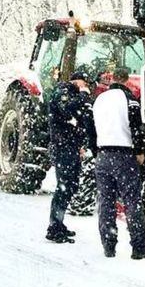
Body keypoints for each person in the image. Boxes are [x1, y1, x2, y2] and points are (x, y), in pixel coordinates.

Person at [91, 67, 145, 259]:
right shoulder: (130, 100)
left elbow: (91, 129)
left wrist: (96, 151)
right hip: (124, 155)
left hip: (103, 155)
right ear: (126, 79)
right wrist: (140, 151)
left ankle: (109, 246)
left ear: (111, 80)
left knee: (106, 202)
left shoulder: (99, 100)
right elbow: (136, 126)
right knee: (132, 201)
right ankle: (138, 247)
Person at [45, 68, 96, 243]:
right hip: (62, 147)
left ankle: (59, 223)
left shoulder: (76, 96)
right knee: (64, 186)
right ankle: (54, 226)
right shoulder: (63, 91)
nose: (87, 86)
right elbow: (66, 110)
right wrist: (82, 96)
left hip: (72, 148)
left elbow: (81, 121)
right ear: (77, 80)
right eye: (85, 82)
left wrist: (82, 144)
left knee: (72, 185)